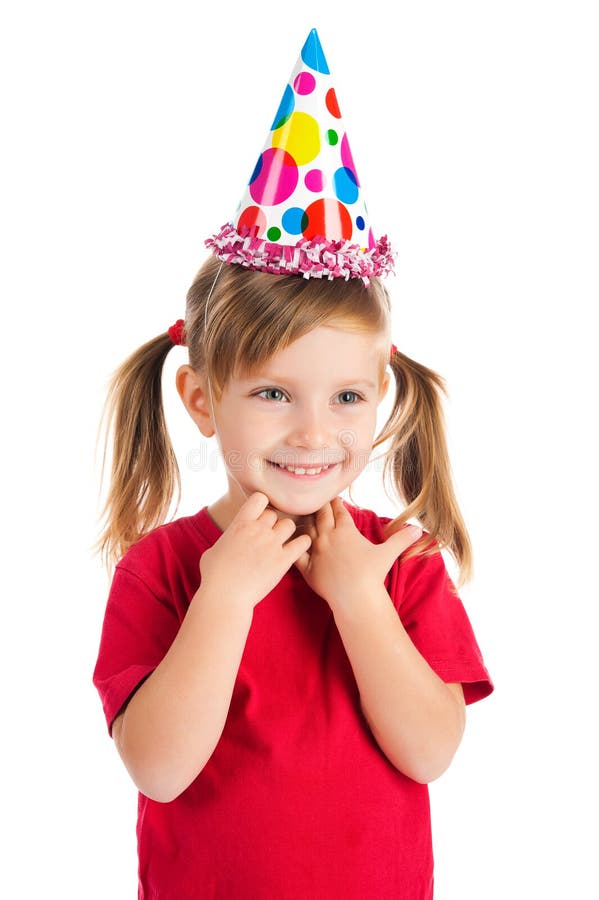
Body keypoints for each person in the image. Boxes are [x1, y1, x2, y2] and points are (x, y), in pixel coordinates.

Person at [93, 29, 493, 900]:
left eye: (346, 398)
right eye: (274, 395)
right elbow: (158, 770)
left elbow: (429, 751)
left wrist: (355, 597)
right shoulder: (160, 570)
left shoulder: (400, 565)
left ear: (380, 393)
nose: (314, 433)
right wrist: (225, 595)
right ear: (202, 399)